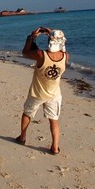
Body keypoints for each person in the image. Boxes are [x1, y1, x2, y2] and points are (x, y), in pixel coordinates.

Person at [17, 27, 69, 155]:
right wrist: (51, 33)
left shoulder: (41, 55)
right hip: (54, 94)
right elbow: (62, 48)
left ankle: (22, 137)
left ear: (50, 41)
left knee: (27, 114)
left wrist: (31, 37)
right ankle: (55, 147)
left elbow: (25, 52)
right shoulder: (66, 57)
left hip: (37, 93)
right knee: (54, 120)